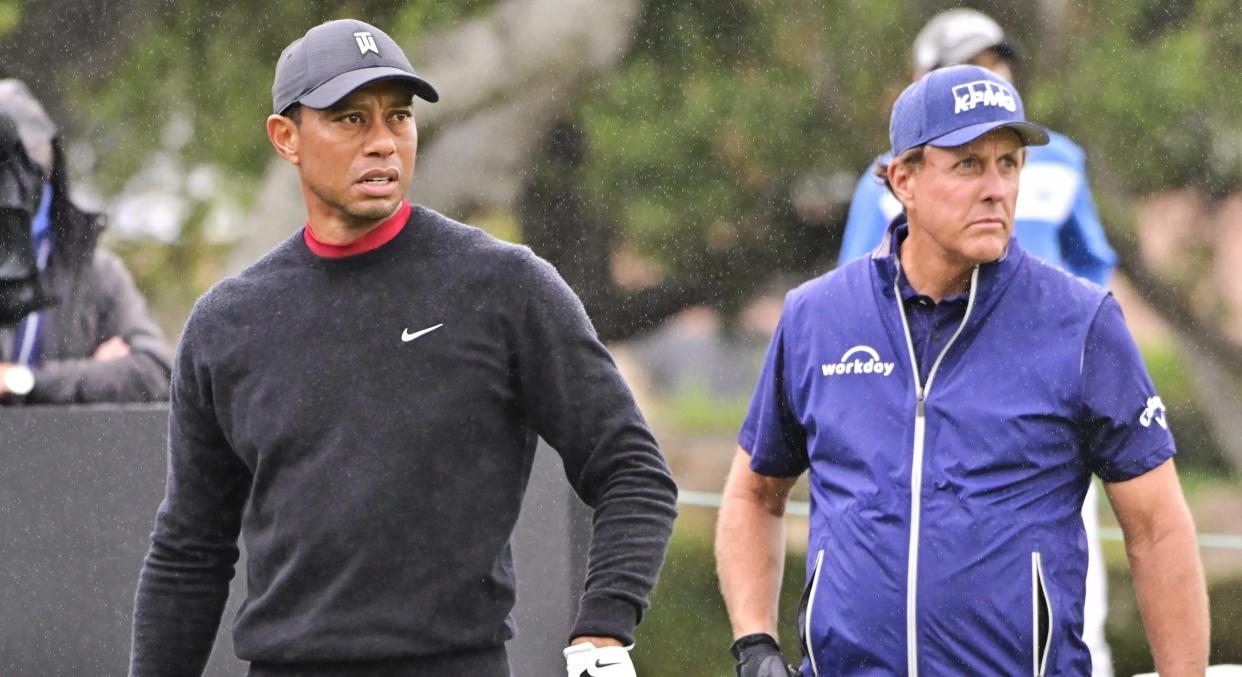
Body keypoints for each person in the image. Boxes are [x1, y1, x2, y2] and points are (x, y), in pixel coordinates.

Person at [129, 19, 677, 677]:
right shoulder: (227, 322)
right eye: (351, 119)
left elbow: (631, 469)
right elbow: (191, 547)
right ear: (286, 137)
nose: (384, 143)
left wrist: (604, 627)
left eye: (399, 117)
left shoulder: (504, 287)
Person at [716, 64, 1208, 676]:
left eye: (1009, 163)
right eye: (968, 164)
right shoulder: (816, 317)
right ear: (904, 180)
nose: (997, 188)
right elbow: (754, 494)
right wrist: (755, 645)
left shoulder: (1082, 323)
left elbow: (1159, 528)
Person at [836, 9, 1118, 674]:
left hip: (1045, 399)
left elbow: (1092, 266)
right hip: (937, 396)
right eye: (968, 66)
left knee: (1075, 587)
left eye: (996, 64)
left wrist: (1072, 351)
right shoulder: (884, 183)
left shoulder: (1063, 160)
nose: (990, 79)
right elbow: (858, 295)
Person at [0, 79, 171, 404]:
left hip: (67, 452)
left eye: (37, 161)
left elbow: (154, 372)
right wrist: (92, 372)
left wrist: (24, 380)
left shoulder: (93, 273)